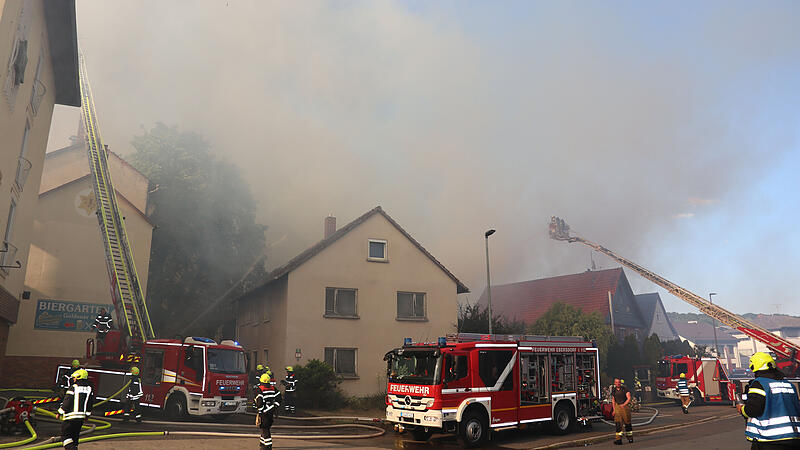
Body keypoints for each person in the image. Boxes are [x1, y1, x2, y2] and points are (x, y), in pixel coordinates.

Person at [737, 352, 800, 448]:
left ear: (754, 367)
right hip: (794, 439)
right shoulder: (789, 385)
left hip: (769, 440)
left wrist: (741, 409)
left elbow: (753, 410)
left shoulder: (759, 384)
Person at [58, 369, 94, 449]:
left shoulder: (73, 387)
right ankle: (75, 447)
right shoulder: (89, 389)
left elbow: (67, 401)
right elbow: (90, 404)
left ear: (78, 377)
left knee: (65, 437)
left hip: (70, 418)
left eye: (74, 377)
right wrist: (87, 415)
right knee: (75, 436)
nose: (73, 379)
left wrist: (60, 412)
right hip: (80, 419)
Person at [255, 373, 282, 449]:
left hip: (264, 413)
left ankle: (268, 446)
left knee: (265, 429)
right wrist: (275, 406)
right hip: (271, 412)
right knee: (265, 428)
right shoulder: (273, 388)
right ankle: (262, 444)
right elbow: (279, 398)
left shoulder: (259, 389)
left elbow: (259, 402)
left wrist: (260, 412)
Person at [611, 378, 633, 445]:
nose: (618, 383)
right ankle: (618, 440)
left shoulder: (624, 389)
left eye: (619, 382)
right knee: (618, 424)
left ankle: (630, 438)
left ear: (620, 383)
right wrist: (614, 410)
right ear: (614, 383)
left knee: (627, 423)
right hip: (617, 407)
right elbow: (613, 400)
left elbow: (629, 398)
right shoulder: (614, 390)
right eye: (616, 382)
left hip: (625, 407)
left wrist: (624, 404)